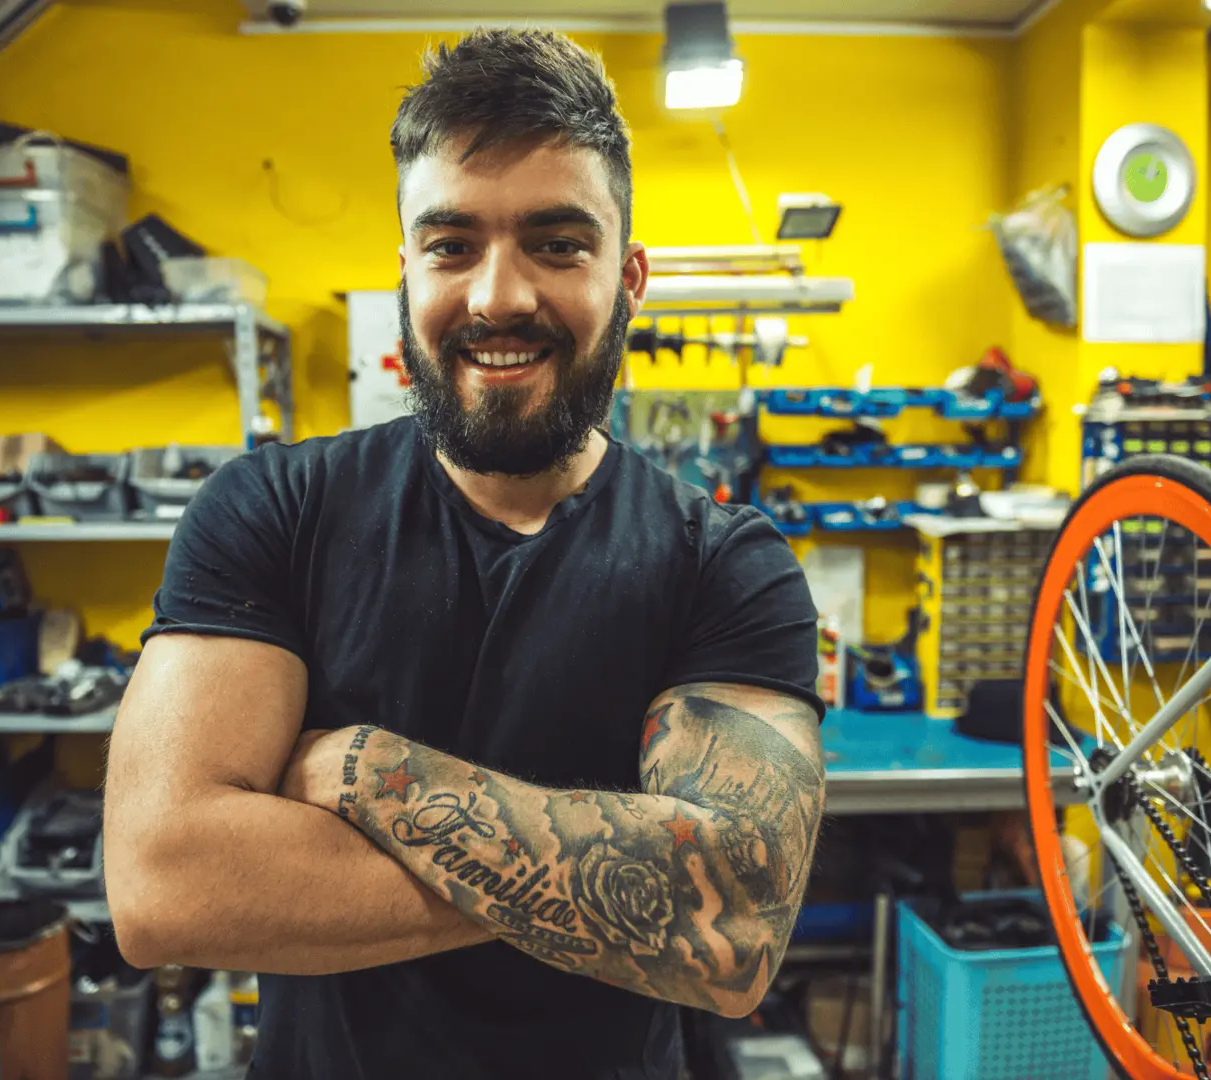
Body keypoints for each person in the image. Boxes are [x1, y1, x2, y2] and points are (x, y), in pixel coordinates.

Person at [103, 27, 827, 1080]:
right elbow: (166, 888)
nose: (498, 296)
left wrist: (361, 768)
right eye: (452, 246)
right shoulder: (271, 512)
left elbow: (737, 926)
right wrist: (623, 876)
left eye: (557, 243)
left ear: (629, 279)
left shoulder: (723, 561)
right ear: (407, 272)